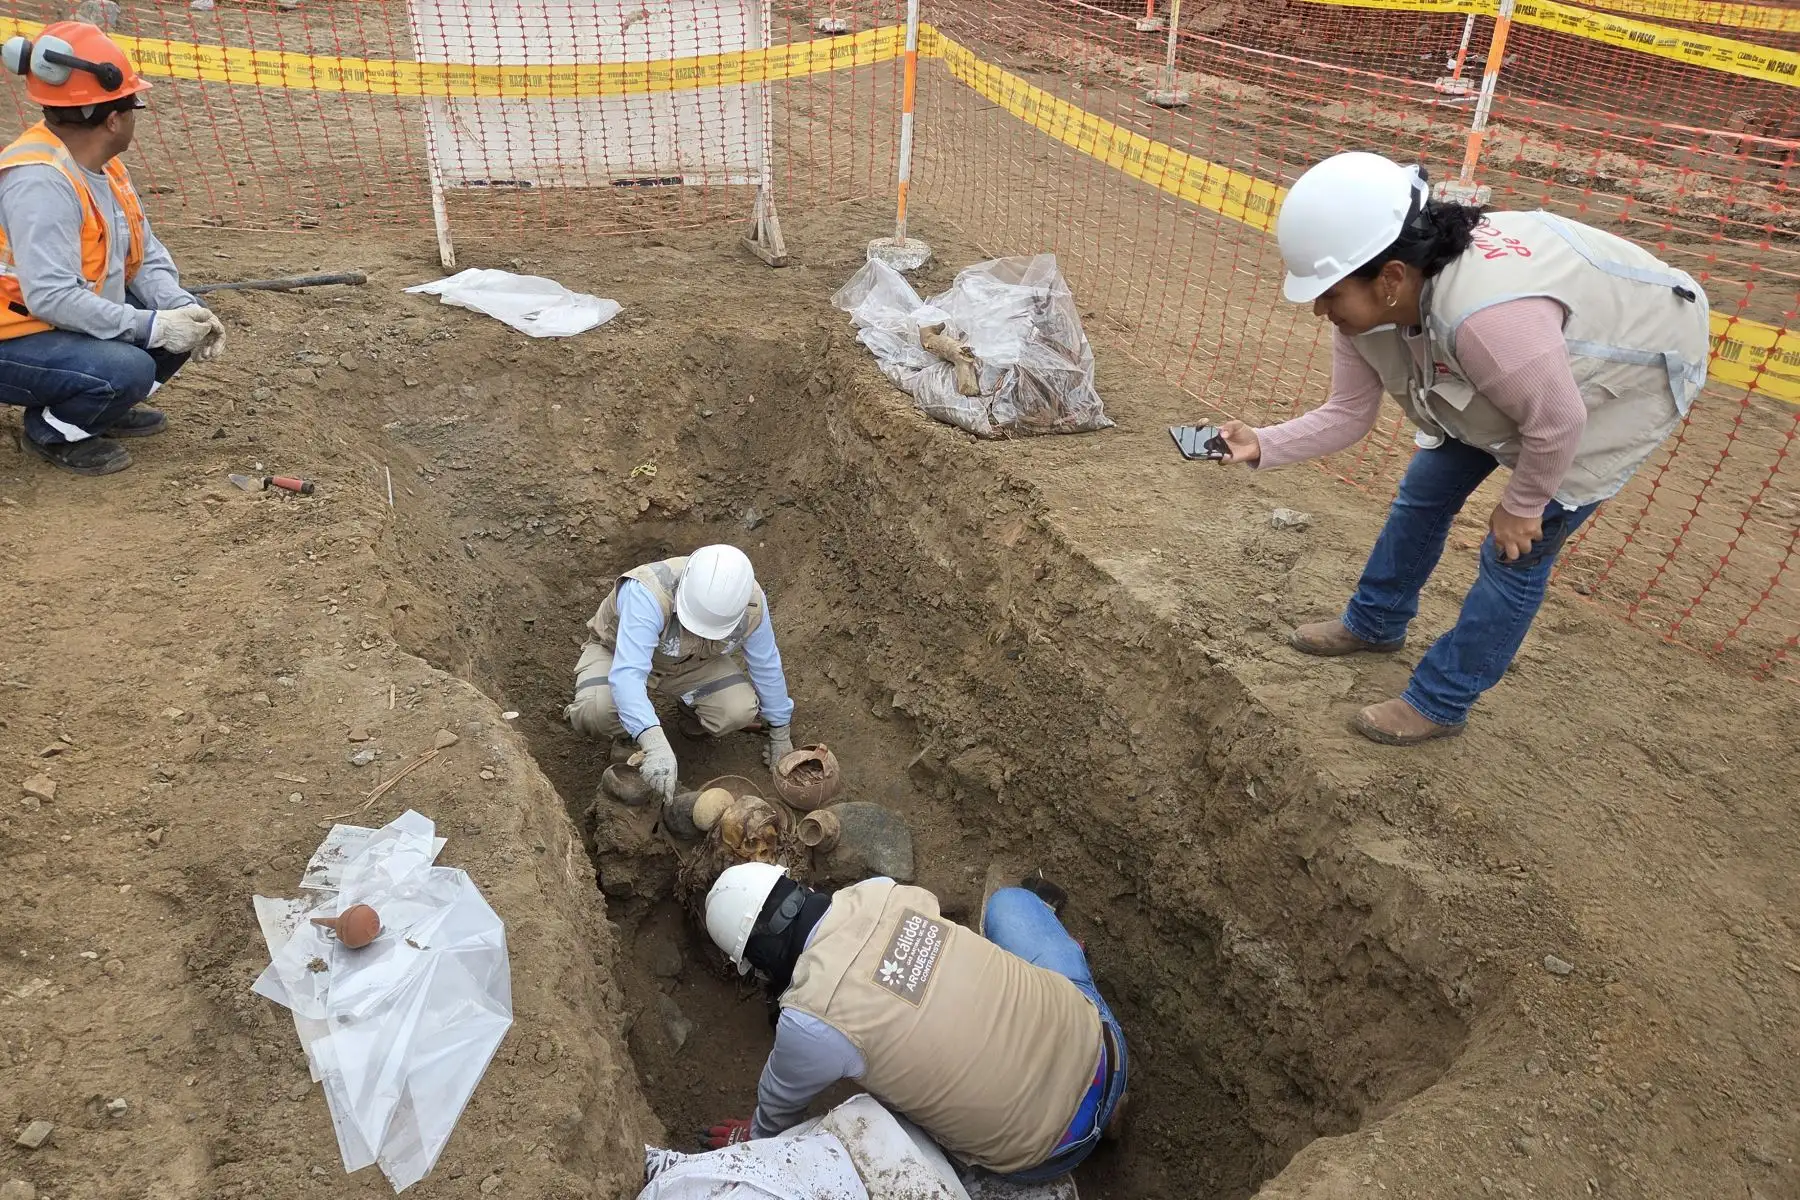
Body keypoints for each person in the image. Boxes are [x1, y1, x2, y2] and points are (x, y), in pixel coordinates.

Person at [1213, 151, 1710, 745]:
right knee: (1425, 489)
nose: (1320, 308)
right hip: (1525, 373)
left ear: (1391, 277)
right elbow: (1347, 415)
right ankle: (1375, 623)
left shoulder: (1489, 324)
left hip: (1623, 370)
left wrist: (1523, 504)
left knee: (1516, 553)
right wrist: (1260, 444)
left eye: (1330, 293)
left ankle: (1441, 700)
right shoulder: (1375, 310)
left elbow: (1557, 419)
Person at [698, 863, 1129, 1183]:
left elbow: (777, 1108)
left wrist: (753, 1136)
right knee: (1010, 905)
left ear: (759, 959)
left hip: (1042, 1154)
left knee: (868, 1110)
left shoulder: (810, 1020)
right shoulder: (879, 892)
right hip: (1103, 1048)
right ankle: (1063, 956)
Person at [0, 22, 226, 476]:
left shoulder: (103, 165)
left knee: (185, 318)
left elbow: (143, 251)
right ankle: (54, 429)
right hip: (13, 334)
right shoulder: (40, 182)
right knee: (128, 368)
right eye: (135, 104)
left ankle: (98, 403)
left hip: (45, 321)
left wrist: (178, 307)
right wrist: (153, 328)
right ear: (113, 119)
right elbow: (52, 297)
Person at [565, 544, 797, 801]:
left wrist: (780, 732)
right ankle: (628, 737)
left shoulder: (750, 603)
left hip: (693, 663)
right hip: (617, 652)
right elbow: (628, 675)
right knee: (595, 711)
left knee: (738, 709)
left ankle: (690, 710)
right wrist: (652, 740)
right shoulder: (648, 592)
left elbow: (766, 664)